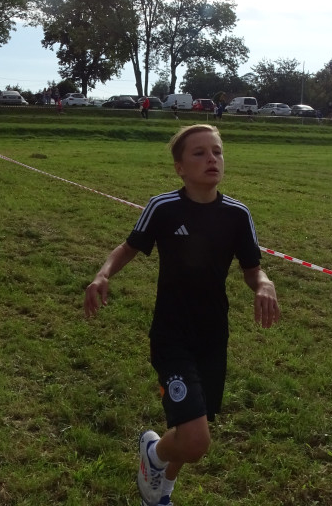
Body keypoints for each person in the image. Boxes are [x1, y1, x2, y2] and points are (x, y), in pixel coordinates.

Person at [84, 124, 280, 506]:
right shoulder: (163, 207)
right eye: (200, 153)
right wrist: (102, 274)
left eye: (217, 152)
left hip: (213, 337)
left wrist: (265, 285)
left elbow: (252, 268)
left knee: (194, 436)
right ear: (180, 168)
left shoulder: (238, 215)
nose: (212, 159)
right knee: (194, 439)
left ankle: (159, 490)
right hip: (172, 335)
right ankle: (153, 454)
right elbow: (127, 248)